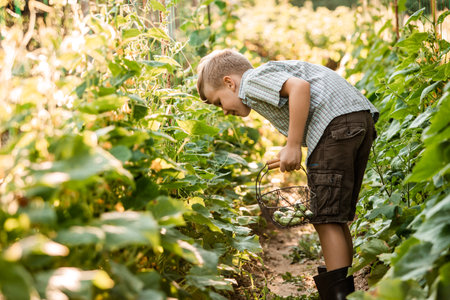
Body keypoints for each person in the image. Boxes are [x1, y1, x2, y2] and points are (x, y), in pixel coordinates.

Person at [196, 49, 378, 300]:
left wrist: (292, 145)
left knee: (325, 218)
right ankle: (345, 293)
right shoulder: (263, 76)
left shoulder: (250, 83)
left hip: (335, 126)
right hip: (357, 120)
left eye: (219, 102)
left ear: (229, 82)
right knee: (335, 217)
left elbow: (300, 88)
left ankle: (338, 297)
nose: (224, 111)